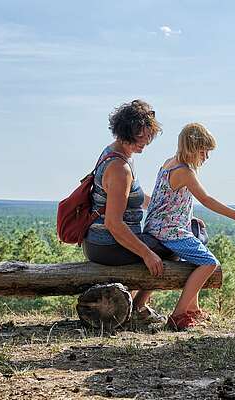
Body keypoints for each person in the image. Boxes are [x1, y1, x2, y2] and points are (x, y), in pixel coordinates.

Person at [143, 122, 235, 330]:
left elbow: (168, 201)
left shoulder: (168, 163)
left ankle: (193, 309)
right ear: (193, 148)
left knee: (197, 247)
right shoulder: (185, 171)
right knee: (208, 262)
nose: (206, 157)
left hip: (157, 225)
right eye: (204, 152)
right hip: (168, 230)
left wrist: (190, 219)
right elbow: (206, 199)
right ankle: (178, 315)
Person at [82, 99, 172, 326]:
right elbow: (114, 223)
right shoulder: (119, 169)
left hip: (101, 242)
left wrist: (173, 213)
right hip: (108, 246)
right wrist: (146, 253)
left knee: (177, 235)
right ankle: (138, 309)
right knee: (174, 247)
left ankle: (130, 305)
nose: (147, 141)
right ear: (128, 131)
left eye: (149, 135)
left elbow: (135, 200)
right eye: (142, 136)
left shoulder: (114, 153)